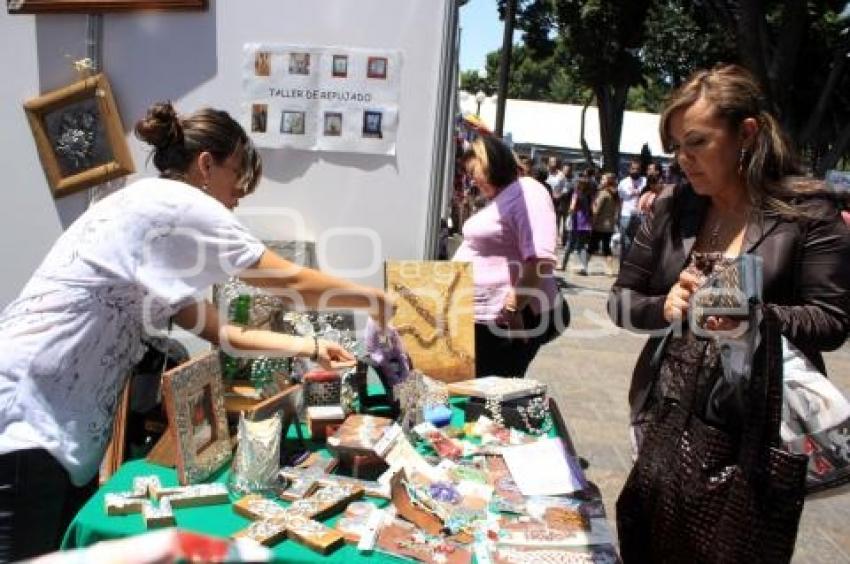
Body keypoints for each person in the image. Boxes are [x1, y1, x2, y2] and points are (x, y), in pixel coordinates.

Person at [0, 102, 394, 561]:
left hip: (50, 424)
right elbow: (286, 281)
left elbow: (224, 333)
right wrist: (374, 300)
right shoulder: (176, 202)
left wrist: (310, 345)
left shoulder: (147, 211)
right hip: (27, 421)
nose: (238, 199)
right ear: (206, 164)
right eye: (238, 180)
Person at [608, 64, 850, 558]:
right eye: (676, 145)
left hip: (756, 430)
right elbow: (621, 301)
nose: (683, 159)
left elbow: (833, 320)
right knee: (645, 537)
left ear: (746, 134)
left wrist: (757, 318)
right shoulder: (674, 207)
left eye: (697, 142)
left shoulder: (807, 211)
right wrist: (665, 305)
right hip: (668, 415)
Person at [453, 135, 558, 378]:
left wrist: (514, 307)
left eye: (473, 171)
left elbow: (540, 257)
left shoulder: (527, 190)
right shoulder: (508, 195)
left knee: (492, 396)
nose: (472, 179)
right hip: (490, 318)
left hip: (506, 319)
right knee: (481, 392)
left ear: (489, 162)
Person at [559, 178, 594, 275]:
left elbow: (572, 207)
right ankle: (585, 267)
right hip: (585, 223)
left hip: (576, 222)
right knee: (581, 246)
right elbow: (592, 209)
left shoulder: (576, 194)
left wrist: (569, 214)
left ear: (579, 185)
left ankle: (563, 265)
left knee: (569, 244)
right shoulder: (589, 195)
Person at [616, 159, 646, 264]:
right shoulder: (623, 183)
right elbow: (620, 200)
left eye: (637, 169)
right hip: (626, 215)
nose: (635, 171)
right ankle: (623, 266)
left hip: (641, 215)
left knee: (639, 242)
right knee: (625, 243)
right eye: (633, 169)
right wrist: (618, 215)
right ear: (629, 169)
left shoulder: (645, 181)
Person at [590, 172, 619, 276]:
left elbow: (596, 211)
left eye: (603, 179)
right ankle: (610, 270)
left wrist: (592, 205)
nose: (601, 181)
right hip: (609, 225)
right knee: (607, 248)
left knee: (591, 247)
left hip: (599, 225)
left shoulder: (603, 193)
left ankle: (584, 266)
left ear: (608, 182)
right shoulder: (615, 194)